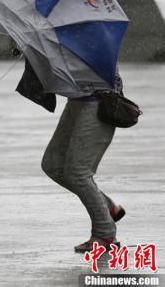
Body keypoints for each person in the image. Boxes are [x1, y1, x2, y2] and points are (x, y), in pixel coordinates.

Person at [41, 73, 126, 252]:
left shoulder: (97, 45)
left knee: (78, 173)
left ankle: (105, 234)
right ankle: (109, 208)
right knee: (53, 164)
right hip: (76, 101)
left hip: (99, 102)